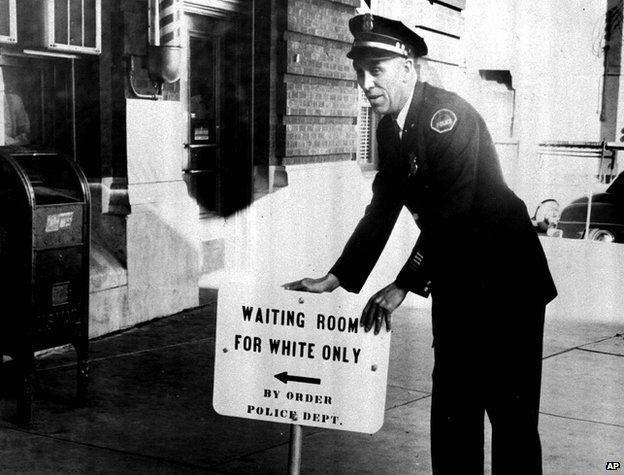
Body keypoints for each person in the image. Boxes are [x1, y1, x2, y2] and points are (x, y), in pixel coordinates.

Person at [283, 13, 557, 475]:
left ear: (408, 65)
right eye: (360, 71)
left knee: (510, 422)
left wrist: (402, 285)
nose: (366, 83)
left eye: (378, 69)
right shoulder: (390, 130)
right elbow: (381, 210)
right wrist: (335, 278)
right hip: (455, 280)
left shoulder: (448, 118)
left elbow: (452, 214)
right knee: (452, 412)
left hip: (508, 281)